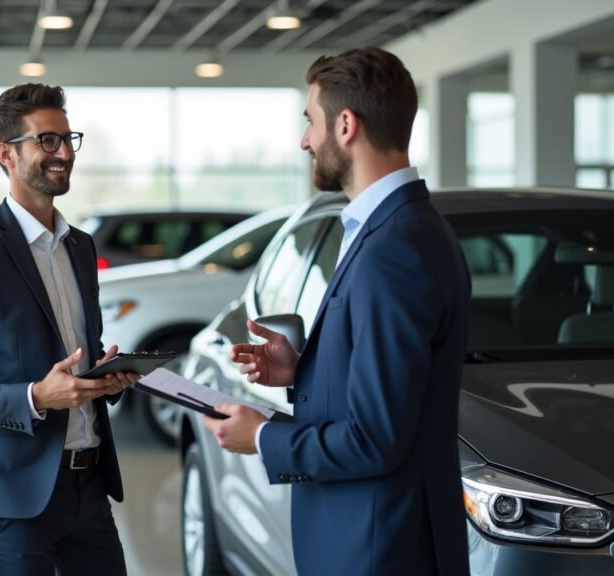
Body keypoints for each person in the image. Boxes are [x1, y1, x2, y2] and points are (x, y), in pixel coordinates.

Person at [202, 47, 471, 575]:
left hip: (376, 547)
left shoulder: (394, 247)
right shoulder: (404, 227)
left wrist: (261, 435)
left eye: (310, 121)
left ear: (346, 125)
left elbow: (375, 439)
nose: (305, 140)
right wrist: (304, 370)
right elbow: (391, 392)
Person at [0, 83, 135, 576]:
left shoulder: (81, 248)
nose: (63, 152)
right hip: (14, 498)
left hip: (90, 488)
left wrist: (104, 379)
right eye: (47, 140)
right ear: (6, 153)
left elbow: (75, 361)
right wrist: (37, 397)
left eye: (67, 139)